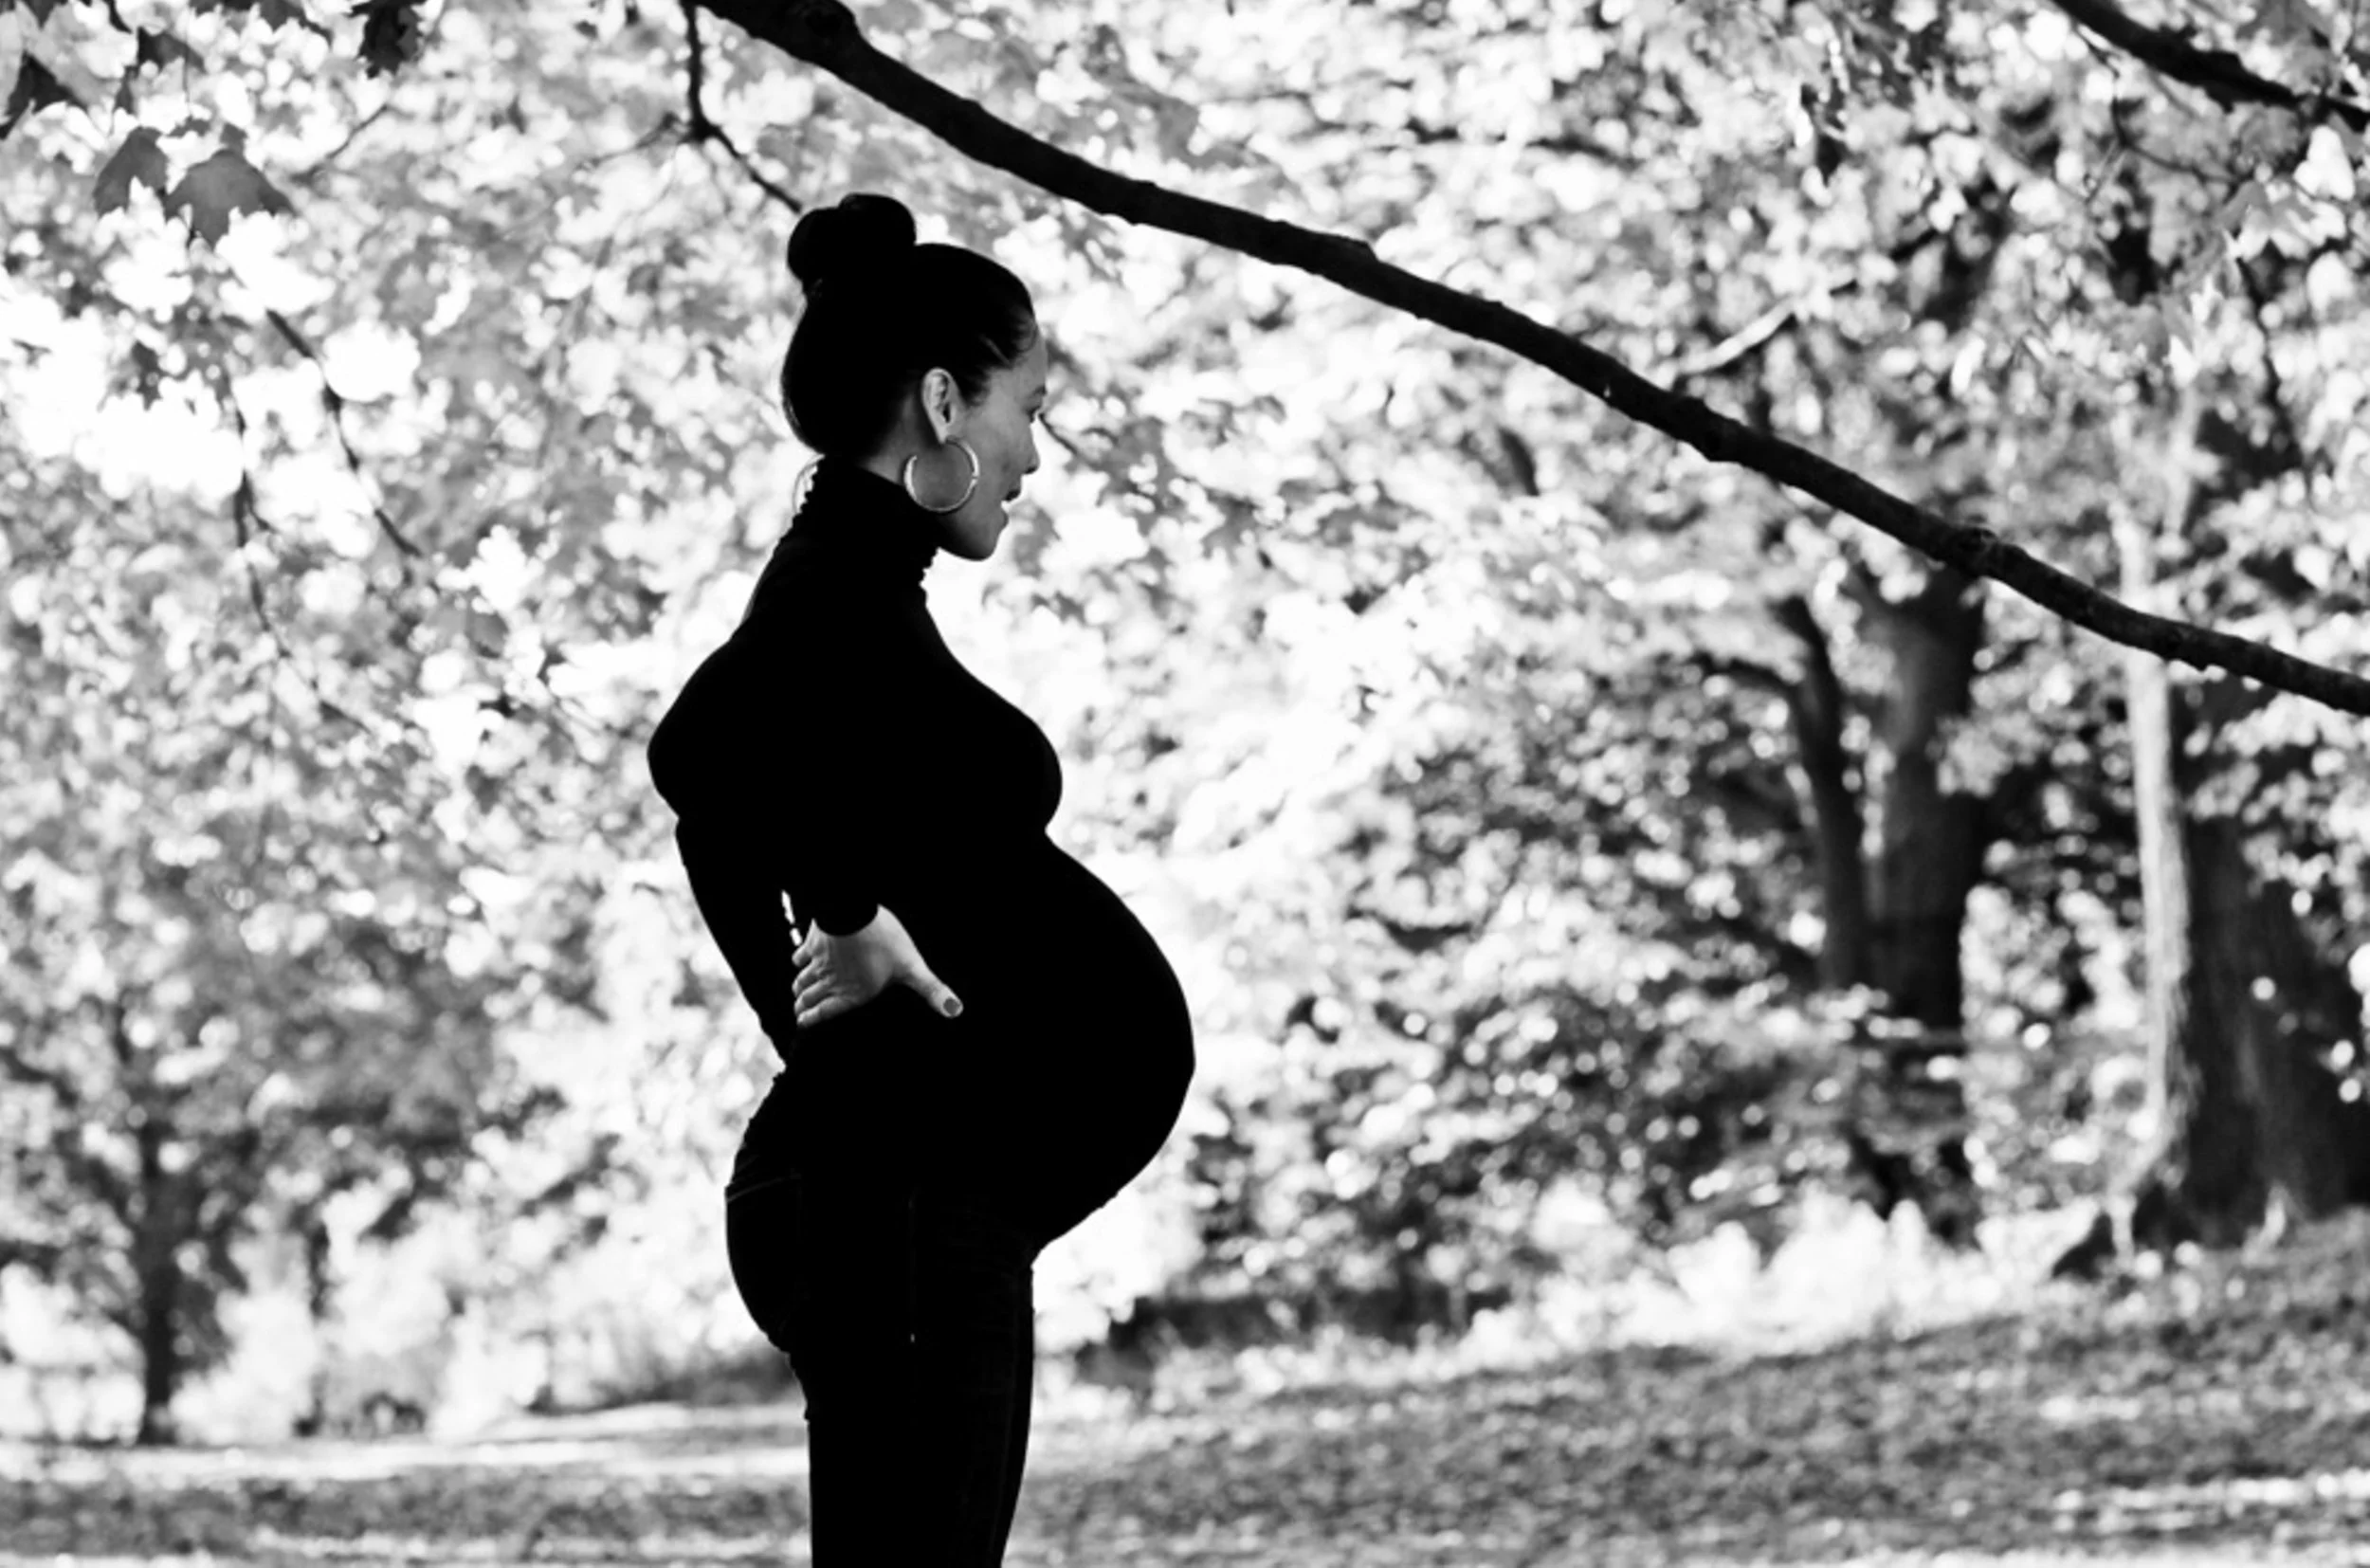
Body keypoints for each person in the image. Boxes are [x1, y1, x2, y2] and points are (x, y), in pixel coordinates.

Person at [646, 192, 1195, 1567]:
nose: (1038, 452)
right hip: (893, 1202)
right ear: (946, 401)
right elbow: (703, 756)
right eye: (1032, 406)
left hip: (913, 1198)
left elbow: (710, 774)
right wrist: (840, 922)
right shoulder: (835, 583)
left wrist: (825, 988)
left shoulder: (851, 586)